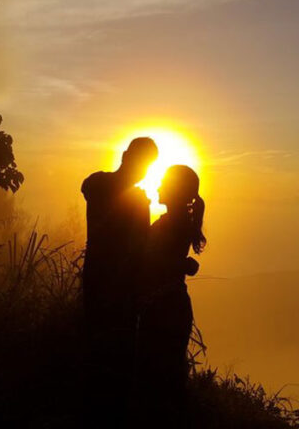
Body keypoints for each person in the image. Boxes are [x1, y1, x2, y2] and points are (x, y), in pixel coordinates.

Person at [80, 136, 158, 424]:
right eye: (146, 164)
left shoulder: (97, 184)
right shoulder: (136, 202)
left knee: (96, 350)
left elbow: (88, 186)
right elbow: (142, 250)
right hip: (122, 289)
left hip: (96, 280)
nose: (145, 171)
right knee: (118, 360)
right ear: (127, 157)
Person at [136, 165, 206, 425]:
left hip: (165, 308)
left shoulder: (172, 224)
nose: (158, 185)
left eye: (165, 181)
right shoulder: (176, 222)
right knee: (167, 380)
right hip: (169, 305)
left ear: (177, 191)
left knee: (158, 380)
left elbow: (156, 260)